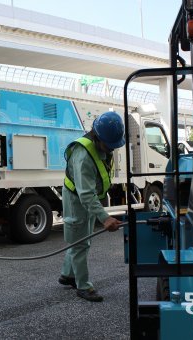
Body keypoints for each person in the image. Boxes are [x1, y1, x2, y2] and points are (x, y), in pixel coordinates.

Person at [59, 111, 125, 302]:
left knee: (81, 238)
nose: (111, 150)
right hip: (76, 200)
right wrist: (105, 218)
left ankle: (68, 274)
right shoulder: (83, 156)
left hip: (85, 198)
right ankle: (83, 286)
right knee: (80, 243)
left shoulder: (100, 146)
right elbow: (85, 194)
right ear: (97, 137)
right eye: (109, 146)